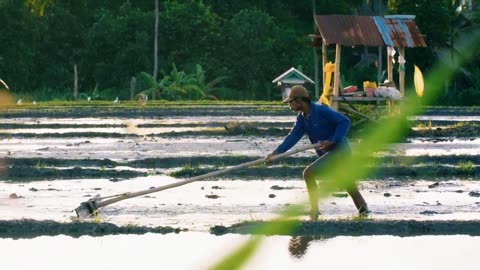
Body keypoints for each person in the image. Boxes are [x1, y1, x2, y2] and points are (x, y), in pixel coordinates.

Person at [266, 85, 368, 220]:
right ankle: (364, 211)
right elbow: (292, 137)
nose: (289, 105)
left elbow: (344, 121)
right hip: (327, 154)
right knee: (348, 185)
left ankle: (314, 210)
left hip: (339, 152)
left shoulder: (321, 111)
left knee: (308, 174)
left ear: (299, 100)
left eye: (291, 101)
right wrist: (276, 153)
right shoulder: (302, 119)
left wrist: (332, 140)